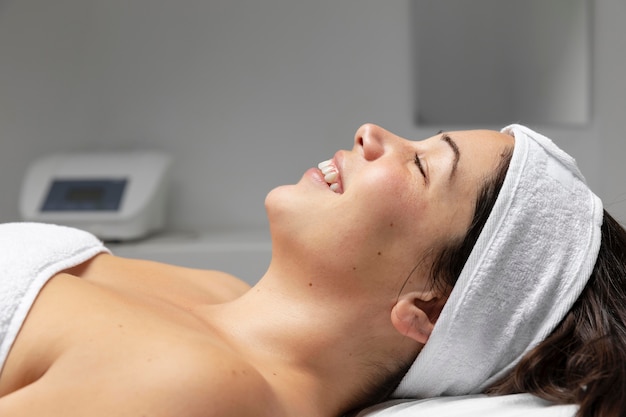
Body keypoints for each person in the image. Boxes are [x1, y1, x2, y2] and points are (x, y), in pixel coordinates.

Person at [0, 123, 623, 417]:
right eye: (418, 141)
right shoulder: (216, 294)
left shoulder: (196, 386)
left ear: (427, 309)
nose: (372, 134)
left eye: (423, 167)